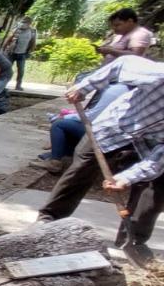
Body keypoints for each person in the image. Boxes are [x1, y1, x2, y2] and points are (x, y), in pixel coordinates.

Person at [37, 56, 164, 268]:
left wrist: (126, 178)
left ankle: (134, 239)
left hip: (151, 142)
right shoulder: (159, 76)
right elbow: (122, 63)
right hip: (113, 128)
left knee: (159, 183)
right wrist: (85, 87)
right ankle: (48, 219)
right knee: (81, 171)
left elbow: (161, 157)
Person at [3, 17, 37, 90]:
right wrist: (4, 48)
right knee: (7, 69)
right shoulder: (16, 29)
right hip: (11, 53)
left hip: (22, 54)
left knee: (21, 71)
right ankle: (3, 84)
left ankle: (18, 85)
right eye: (22, 22)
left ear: (29, 24)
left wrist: (31, 51)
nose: (23, 24)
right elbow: (9, 39)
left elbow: (33, 42)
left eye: (25, 22)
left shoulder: (32, 32)